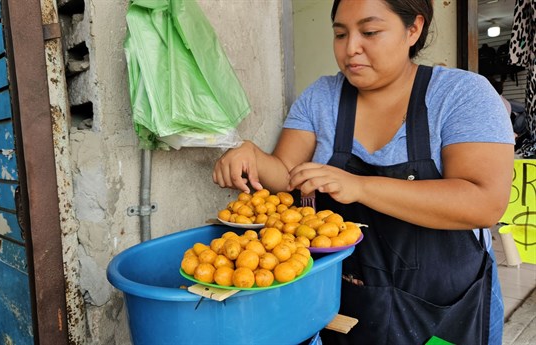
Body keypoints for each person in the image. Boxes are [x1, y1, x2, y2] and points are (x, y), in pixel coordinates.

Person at [212, 0, 515, 344]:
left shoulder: (461, 94)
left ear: (413, 29)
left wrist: (359, 187)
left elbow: (484, 203)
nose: (350, 48)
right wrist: (251, 154)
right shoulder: (322, 97)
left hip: (443, 310)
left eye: (369, 32)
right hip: (350, 302)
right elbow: (287, 175)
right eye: (340, 34)